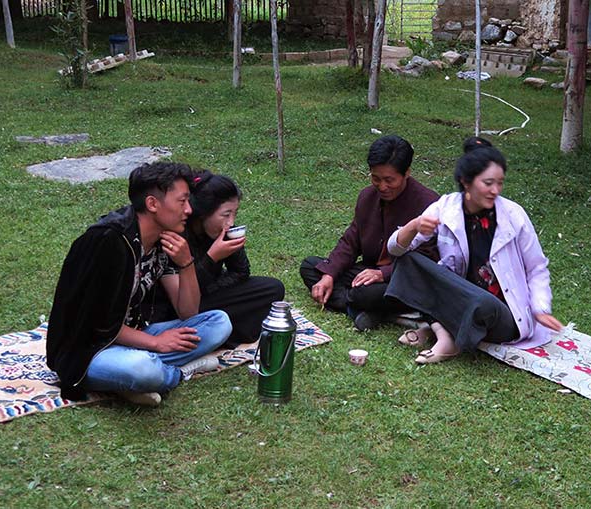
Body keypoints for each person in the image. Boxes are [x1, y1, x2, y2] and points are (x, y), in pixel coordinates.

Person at [46, 162, 232, 407]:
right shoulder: (108, 242)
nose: (189, 210)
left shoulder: (163, 238)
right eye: (182, 201)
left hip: (135, 335)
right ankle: (176, 372)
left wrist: (186, 263)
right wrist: (156, 343)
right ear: (153, 204)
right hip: (88, 350)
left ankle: (127, 382)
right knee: (142, 368)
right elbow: (98, 325)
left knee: (219, 323)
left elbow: (187, 312)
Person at [386, 138, 563, 364]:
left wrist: (540, 309)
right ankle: (444, 335)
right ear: (466, 181)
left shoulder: (514, 215)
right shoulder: (445, 207)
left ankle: (439, 331)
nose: (495, 190)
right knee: (408, 262)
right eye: (488, 183)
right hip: (458, 299)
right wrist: (414, 225)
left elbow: (537, 267)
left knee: (482, 302)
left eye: (499, 183)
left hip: (500, 313)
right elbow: (395, 250)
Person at [300, 135, 439, 331]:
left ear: (406, 173)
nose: (382, 186)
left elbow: (429, 258)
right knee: (311, 267)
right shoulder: (367, 197)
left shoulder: (429, 204)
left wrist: (383, 273)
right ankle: (368, 311)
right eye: (376, 178)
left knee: (366, 294)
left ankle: (361, 305)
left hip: (402, 279)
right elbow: (351, 241)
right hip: (367, 271)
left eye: (389, 180)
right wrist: (329, 275)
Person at [152, 170, 285, 348]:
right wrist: (212, 257)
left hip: (209, 297)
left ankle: (221, 332)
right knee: (231, 317)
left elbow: (240, 272)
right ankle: (226, 333)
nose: (230, 222)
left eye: (234, 214)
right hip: (179, 306)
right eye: (226, 214)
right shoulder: (179, 233)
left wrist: (212, 287)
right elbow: (183, 294)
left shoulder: (226, 231)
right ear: (204, 212)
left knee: (273, 288)